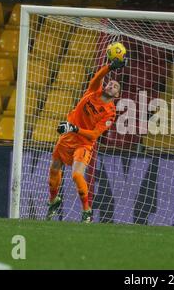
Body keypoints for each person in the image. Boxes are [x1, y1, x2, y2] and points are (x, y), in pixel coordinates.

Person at [46, 58, 126, 223]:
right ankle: (53, 201)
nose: (111, 86)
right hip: (68, 137)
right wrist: (109, 66)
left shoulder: (110, 113)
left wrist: (74, 128)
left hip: (84, 143)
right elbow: (97, 78)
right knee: (54, 169)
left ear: (117, 95)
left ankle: (87, 211)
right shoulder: (93, 91)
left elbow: (94, 135)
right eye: (110, 84)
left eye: (115, 87)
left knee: (76, 175)